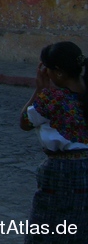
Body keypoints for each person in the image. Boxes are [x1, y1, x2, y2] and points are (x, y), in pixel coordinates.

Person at [20, 41, 88, 243]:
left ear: (57, 72)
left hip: (61, 172)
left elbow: (25, 122)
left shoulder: (52, 99)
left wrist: (39, 90)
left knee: (48, 228)